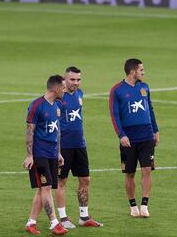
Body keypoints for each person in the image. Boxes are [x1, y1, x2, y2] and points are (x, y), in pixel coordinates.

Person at [109, 58, 159, 218]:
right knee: (129, 173)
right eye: (141, 70)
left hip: (146, 135)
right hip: (128, 138)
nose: (143, 73)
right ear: (132, 72)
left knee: (146, 169)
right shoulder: (117, 90)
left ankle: (144, 205)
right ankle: (133, 206)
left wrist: (155, 131)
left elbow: (150, 109)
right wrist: (121, 135)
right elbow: (114, 115)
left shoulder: (145, 87)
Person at [55, 66, 103, 228]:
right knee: (62, 181)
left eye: (78, 79)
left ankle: (84, 217)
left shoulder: (80, 94)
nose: (76, 83)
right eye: (72, 79)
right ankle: (63, 219)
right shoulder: (58, 98)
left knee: (85, 179)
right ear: (64, 79)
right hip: (63, 147)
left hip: (80, 144)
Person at [23, 75, 68, 235]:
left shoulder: (57, 105)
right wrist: (29, 156)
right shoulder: (37, 105)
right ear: (56, 88)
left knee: (42, 189)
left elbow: (57, 131)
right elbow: (30, 131)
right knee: (47, 187)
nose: (65, 89)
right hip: (39, 154)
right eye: (63, 87)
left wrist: (59, 152)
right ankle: (54, 223)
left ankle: (31, 222)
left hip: (52, 154)